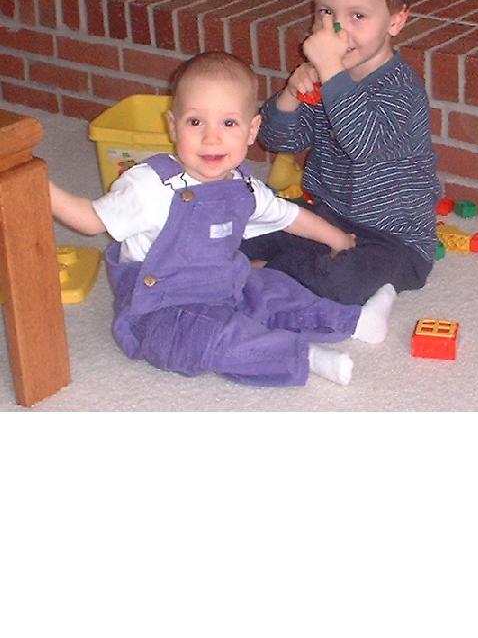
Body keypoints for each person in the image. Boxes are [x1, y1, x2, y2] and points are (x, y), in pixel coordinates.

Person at [47, 51, 398, 387]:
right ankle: (301, 357)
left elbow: (289, 217)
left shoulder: (244, 187)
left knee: (274, 290)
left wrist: (337, 239)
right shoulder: (149, 186)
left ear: (251, 130)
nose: (211, 137)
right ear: (173, 126)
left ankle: (356, 322)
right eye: (195, 121)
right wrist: (42, 190)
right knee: (208, 339)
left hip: (224, 285)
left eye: (228, 123)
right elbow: (91, 220)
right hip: (160, 308)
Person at [239, 0, 441, 307]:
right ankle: (260, 264)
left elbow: (364, 144)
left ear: (395, 21)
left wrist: (331, 70)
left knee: (342, 281)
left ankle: (268, 272)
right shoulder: (325, 75)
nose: (338, 28)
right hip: (326, 218)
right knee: (244, 223)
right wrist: (291, 94)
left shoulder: (402, 88)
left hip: (393, 240)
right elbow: (279, 140)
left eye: (358, 15)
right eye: (326, 11)